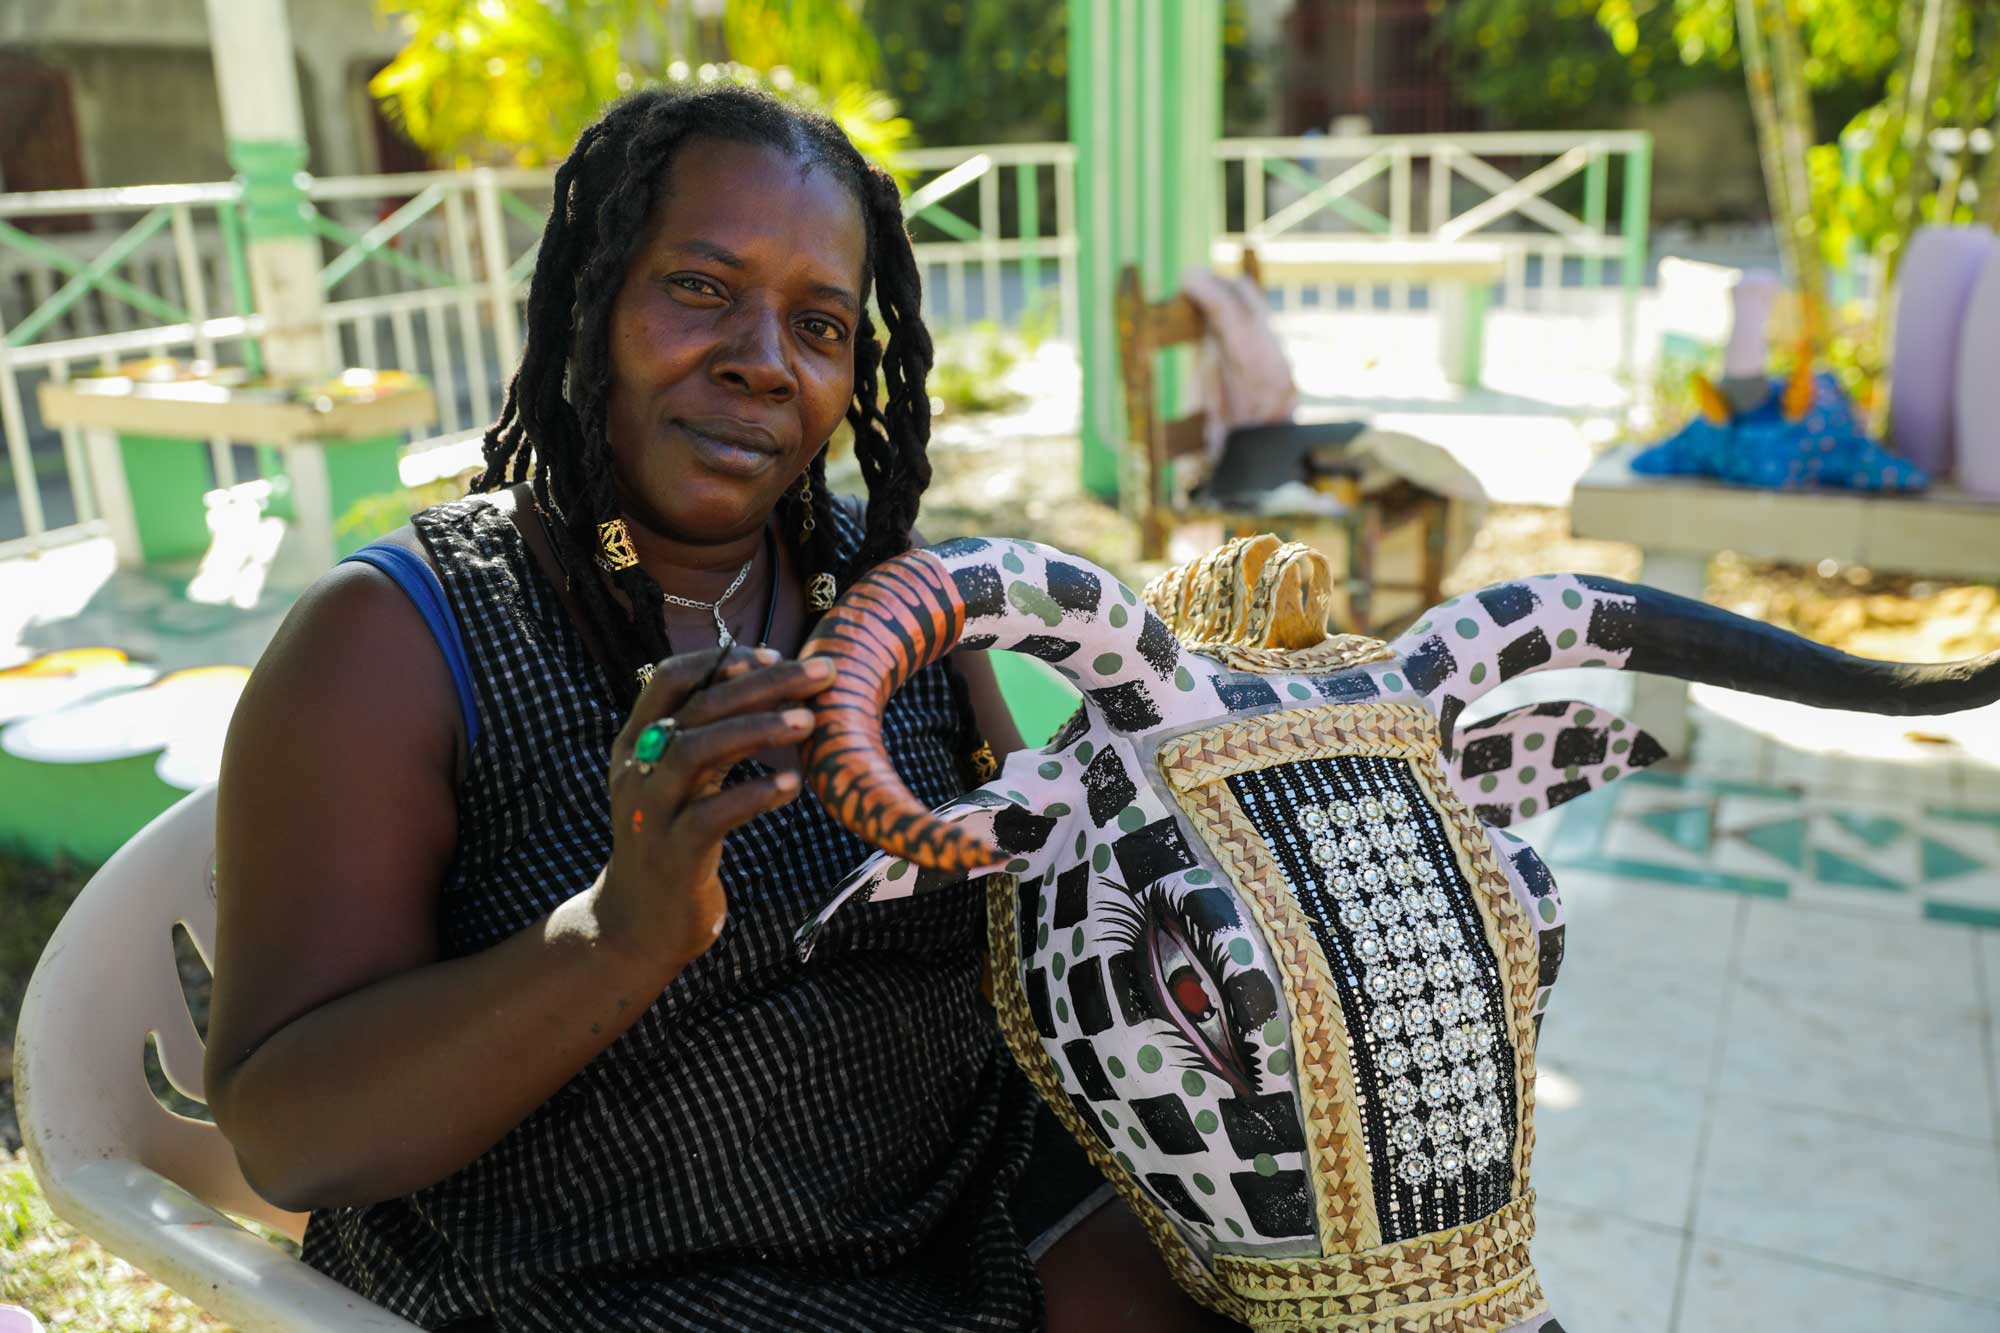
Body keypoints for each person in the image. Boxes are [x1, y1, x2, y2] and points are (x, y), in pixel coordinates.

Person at [202, 85, 1232, 1333]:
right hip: (580, 1289)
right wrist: (622, 931)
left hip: (952, 1249)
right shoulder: (393, 644)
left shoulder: (904, 611)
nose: (761, 358)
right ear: (593, 294)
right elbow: (286, 1136)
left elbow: (1037, 954)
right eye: (699, 287)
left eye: (817, 322)